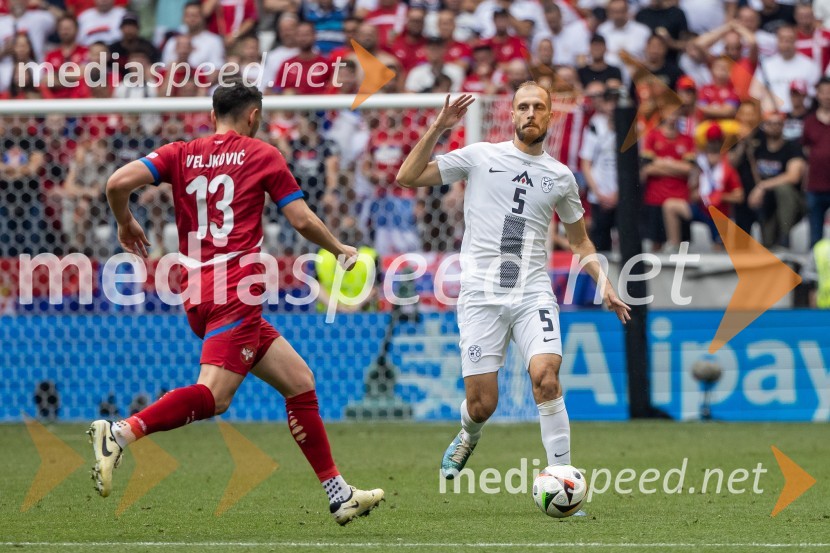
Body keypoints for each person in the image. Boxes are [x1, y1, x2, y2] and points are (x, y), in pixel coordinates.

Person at [86, 78, 384, 526]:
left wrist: (125, 222)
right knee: (215, 396)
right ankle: (122, 432)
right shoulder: (263, 154)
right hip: (236, 291)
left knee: (299, 381)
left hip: (195, 290)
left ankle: (339, 493)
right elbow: (300, 217)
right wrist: (340, 249)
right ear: (254, 117)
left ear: (211, 116)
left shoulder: (180, 153)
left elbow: (116, 182)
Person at [395, 87, 630, 484]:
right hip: (480, 296)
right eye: (523, 107)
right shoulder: (481, 155)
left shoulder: (560, 177)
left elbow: (579, 241)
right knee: (482, 404)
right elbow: (407, 177)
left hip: (531, 293)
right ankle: (469, 434)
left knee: (547, 378)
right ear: (512, 115)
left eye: (539, 107)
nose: (531, 113)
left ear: (550, 116)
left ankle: (562, 476)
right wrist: (439, 126)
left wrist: (605, 282)